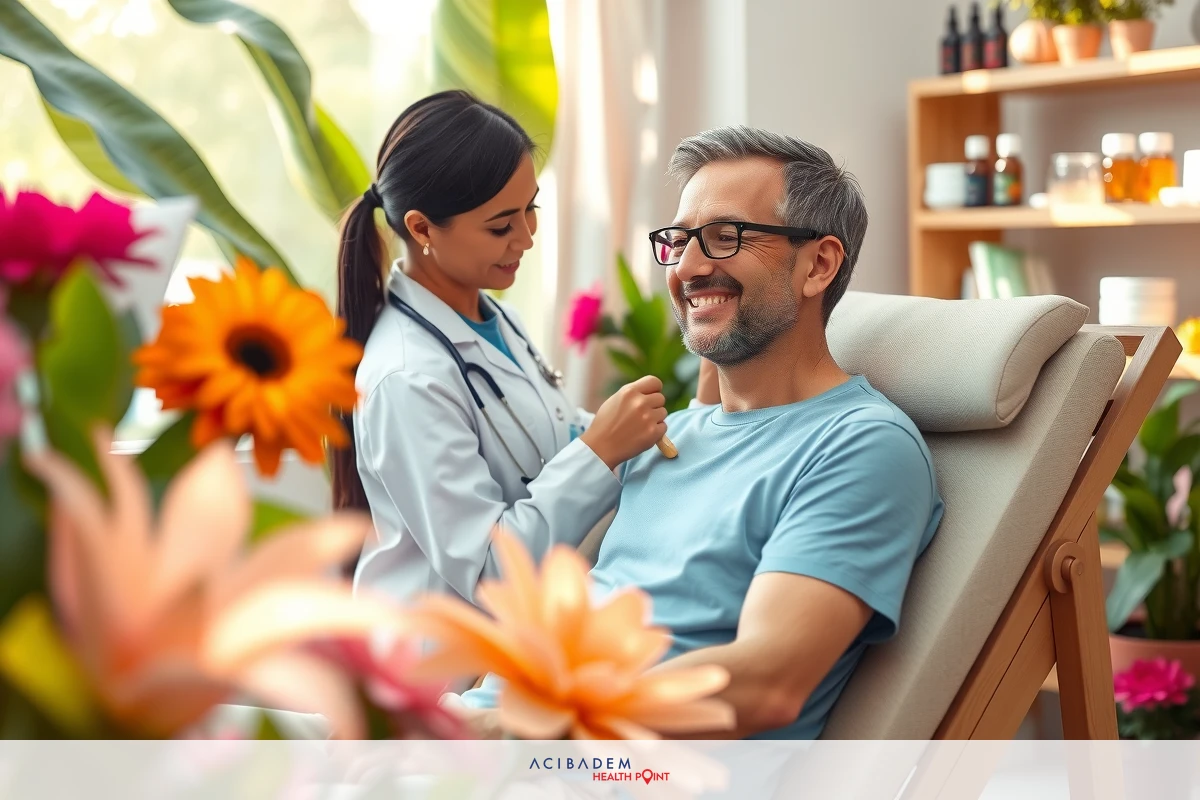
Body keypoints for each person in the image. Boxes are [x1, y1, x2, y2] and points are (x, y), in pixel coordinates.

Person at [453, 126, 945, 739]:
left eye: (724, 237)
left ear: (818, 264)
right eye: (678, 241)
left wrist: (518, 732)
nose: (685, 267)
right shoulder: (666, 438)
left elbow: (768, 681)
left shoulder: (862, 446)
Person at [335, 90, 671, 607]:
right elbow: (488, 572)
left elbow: (538, 434)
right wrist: (599, 451)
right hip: (436, 665)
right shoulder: (406, 378)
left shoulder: (490, 316)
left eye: (530, 208)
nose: (527, 237)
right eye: (500, 226)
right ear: (422, 228)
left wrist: (619, 431)